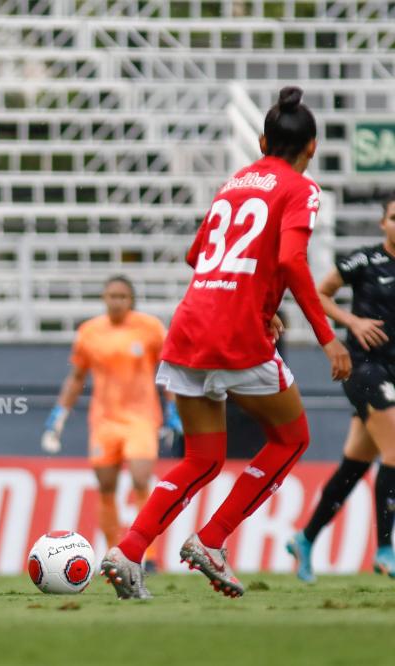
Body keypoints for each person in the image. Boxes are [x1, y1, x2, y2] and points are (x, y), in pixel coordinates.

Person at [99, 86, 351, 600]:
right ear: (313, 147)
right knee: (291, 439)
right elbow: (289, 261)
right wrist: (329, 339)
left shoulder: (234, 182)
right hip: (236, 335)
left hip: (190, 325)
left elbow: (198, 255)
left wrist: (260, 305)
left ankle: (128, 552)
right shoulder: (301, 189)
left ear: (261, 140)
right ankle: (211, 540)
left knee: (202, 457)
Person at [287, 194, 395, 582]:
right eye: (394, 218)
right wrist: (353, 321)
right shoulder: (364, 260)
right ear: (383, 223)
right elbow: (319, 293)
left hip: (393, 374)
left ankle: (305, 538)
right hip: (363, 368)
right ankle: (385, 549)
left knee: (355, 465)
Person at [41, 276, 181, 572]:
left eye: (122, 296)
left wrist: (173, 407)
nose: (116, 301)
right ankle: (113, 552)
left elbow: (167, 368)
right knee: (106, 486)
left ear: (131, 300)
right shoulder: (89, 332)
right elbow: (77, 377)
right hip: (104, 420)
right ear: (104, 298)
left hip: (142, 417)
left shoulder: (150, 328)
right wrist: (60, 414)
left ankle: (149, 554)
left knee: (141, 479)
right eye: (111, 295)